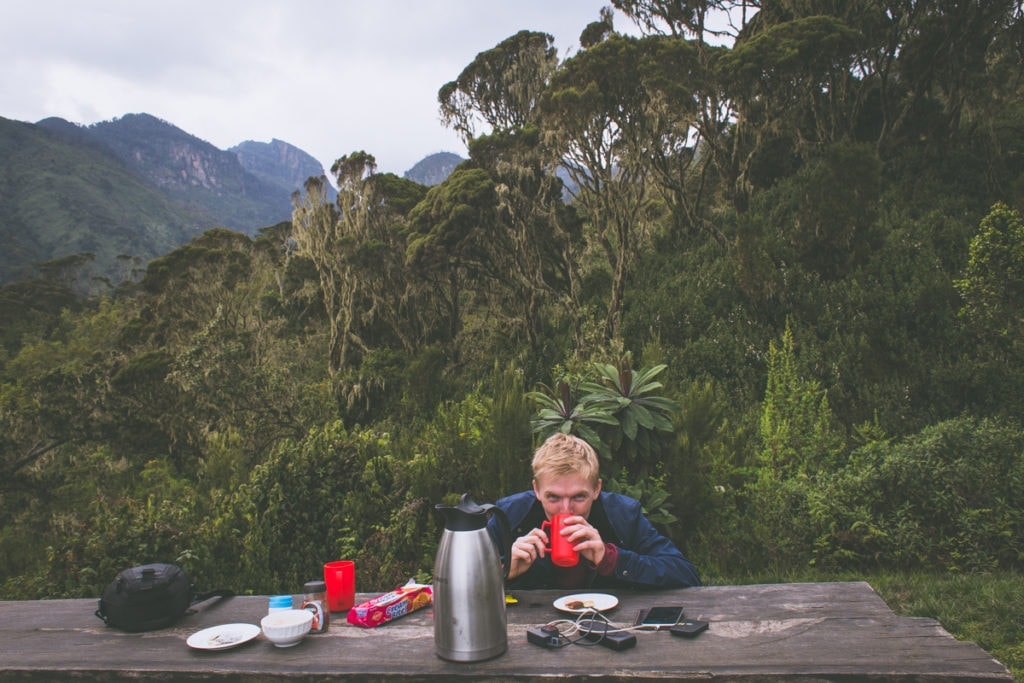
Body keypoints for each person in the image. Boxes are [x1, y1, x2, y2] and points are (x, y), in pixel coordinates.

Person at [492, 432, 700, 590]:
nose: (566, 510)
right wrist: (502, 571)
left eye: (579, 497)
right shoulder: (509, 515)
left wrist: (611, 559)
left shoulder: (623, 515)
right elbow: (462, 581)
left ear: (596, 489)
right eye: (553, 497)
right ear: (537, 490)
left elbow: (685, 574)